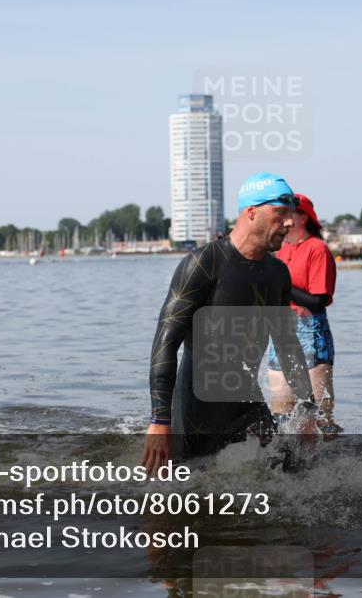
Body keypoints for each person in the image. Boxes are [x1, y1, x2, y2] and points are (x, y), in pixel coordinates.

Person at [141, 173, 318, 473]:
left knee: (293, 475)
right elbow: (165, 343)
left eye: (292, 214)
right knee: (183, 495)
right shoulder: (205, 263)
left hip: (246, 405)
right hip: (196, 410)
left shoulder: (277, 274)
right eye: (281, 213)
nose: (290, 222)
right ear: (251, 212)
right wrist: (160, 421)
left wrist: (309, 412)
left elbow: (287, 345)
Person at [266, 193, 340, 437]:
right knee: (281, 414)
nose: (282, 220)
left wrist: (281, 284)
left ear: (302, 218)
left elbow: (319, 302)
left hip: (310, 331)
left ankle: (330, 463)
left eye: (287, 213)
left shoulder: (318, 249)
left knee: (318, 415)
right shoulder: (283, 249)